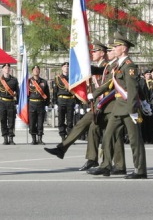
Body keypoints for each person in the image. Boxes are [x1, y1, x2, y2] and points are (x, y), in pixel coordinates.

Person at [44, 39, 126, 174]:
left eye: (94, 51)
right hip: (101, 104)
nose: (92, 53)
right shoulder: (105, 66)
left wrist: (94, 95)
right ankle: (93, 159)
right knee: (92, 128)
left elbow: (110, 85)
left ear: (102, 53)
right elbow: (96, 71)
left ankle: (111, 165)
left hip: (109, 104)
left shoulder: (112, 66)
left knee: (110, 135)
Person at [87, 32, 147, 179]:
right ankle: (106, 166)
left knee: (135, 140)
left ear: (124, 48)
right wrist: (93, 95)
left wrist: (133, 110)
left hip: (128, 107)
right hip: (118, 107)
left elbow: (133, 90)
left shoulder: (129, 66)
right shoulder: (118, 65)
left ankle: (140, 170)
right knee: (107, 136)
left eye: (117, 46)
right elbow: (109, 83)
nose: (114, 48)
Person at [0, 63, 19, 145]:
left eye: (8, 68)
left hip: (11, 102)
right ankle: (5, 138)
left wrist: (17, 102)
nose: (7, 69)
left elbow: (17, 91)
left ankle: (11, 138)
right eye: (5, 68)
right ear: (3, 70)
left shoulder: (14, 80)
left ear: (10, 69)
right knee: (3, 120)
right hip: (2, 102)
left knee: (11, 121)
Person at [52, 62, 77, 141]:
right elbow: (55, 91)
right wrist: (55, 102)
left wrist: (77, 102)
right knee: (61, 119)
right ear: (62, 68)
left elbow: (76, 91)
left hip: (71, 99)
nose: (66, 68)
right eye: (65, 66)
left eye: (68, 66)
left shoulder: (73, 78)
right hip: (61, 100)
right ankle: (63, 135)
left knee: (70, 120)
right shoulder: (57, 78)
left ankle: (69, 136)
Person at [28, 65, 50, 145]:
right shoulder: (28, 81)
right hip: (32, 104)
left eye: (37, 69)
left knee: (40, 122)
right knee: (32, 122)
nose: (36, 71)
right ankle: (34, 139)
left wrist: (47, 104)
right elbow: (26, 94)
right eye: (34, 69)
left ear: (39, 71)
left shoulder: (43, 82)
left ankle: (40, 139)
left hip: (41, 104)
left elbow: (47, 94)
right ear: (32, 71)